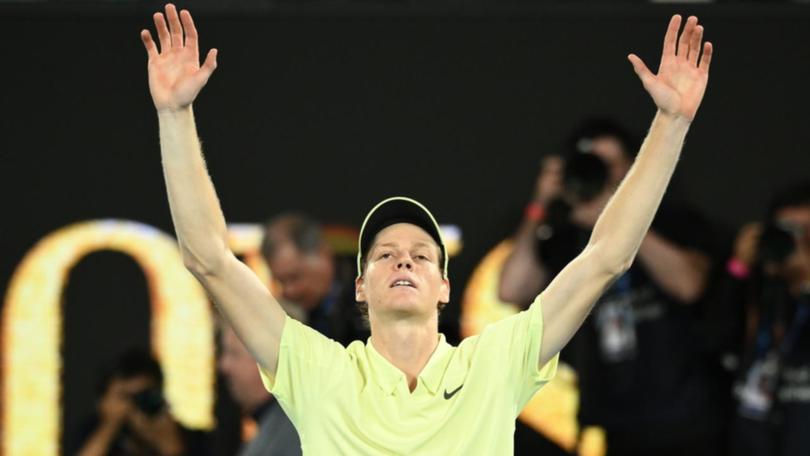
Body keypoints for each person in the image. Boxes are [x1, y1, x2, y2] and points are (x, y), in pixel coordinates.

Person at [139, 5, 712, 453]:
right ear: (359, 287)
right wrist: (174, 114)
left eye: (420, 254)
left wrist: (670, 124)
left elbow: (605, 258)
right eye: (385, 254)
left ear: (444, 286)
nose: (404, 260)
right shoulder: (317, 370)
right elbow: (209, 258)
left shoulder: (493, 366)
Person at [500, 117, 726, 454]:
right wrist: (540, 202)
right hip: (617, 425)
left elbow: (688, 285)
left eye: (610, 164)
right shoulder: (571, 234)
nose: (601, 173)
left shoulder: (674, 220)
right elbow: (512, 290)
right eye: (589, 165)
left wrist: (621, 220)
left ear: (635, 166)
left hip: (687, 421)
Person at [720, 181, 810, 456]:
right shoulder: (758, 289)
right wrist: (738, 269)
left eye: (807, 234)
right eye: (787, 233)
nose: (796, 245)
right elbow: (713, 340)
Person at [70, 350, 204, 456]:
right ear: (102, 401)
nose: (133, 406)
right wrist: (109, 427)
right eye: (124, 397)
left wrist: (171, 447)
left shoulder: (192, 439)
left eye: (143, 396)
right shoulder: (89, 434)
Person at [261, 213, 368, 345]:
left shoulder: (370, 291)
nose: (289, 291)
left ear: (322, 254)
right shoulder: (292, 317)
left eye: (294, 277)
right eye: (281, 282)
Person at [218, 322, 302, 456]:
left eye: (234, 353)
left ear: (268, 358)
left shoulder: (294, 435)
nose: (224, 366)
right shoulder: (272, 424)